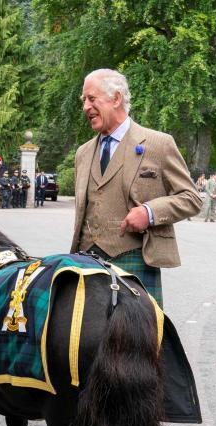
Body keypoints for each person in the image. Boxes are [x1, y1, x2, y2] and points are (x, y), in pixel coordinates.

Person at [71, 68, 201, 306]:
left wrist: (150, 213)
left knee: (138, 341)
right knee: (85, 341)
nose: (85, 107)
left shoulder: (158, 144)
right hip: (85, 264)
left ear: (116, 98)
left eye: (91, 98)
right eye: (83, 101)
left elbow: (191, 198)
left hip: (135, 264)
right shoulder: (83, 153)